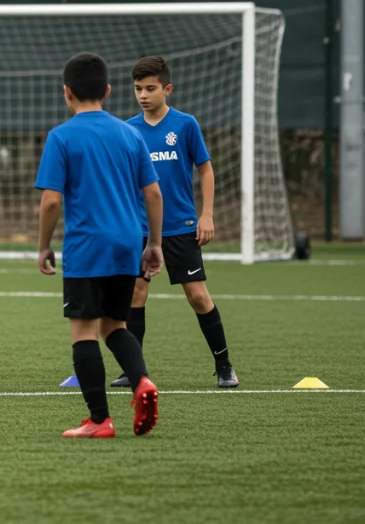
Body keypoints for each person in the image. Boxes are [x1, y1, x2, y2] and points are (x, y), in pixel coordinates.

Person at [35, 52, 161, 439]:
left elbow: (52, 200)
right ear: (107, 91)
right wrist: (153, 243)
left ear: (66, 92)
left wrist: (43, 246)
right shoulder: (131, 133)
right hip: (128, 243)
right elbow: (153, 193)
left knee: (84, 332)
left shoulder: (62, 136)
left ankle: (99, 420)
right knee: (115, 325)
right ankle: (141, 381)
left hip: (88, 246)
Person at [111, 55, 237, 389]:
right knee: (136, 294)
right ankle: (133, 370)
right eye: (138, 88)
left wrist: (206, 214)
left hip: (180, 227)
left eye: (150, 88)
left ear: (167, 89)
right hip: (140, 228)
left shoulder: (185, 125)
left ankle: (224, 366)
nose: (143, 95)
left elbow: (205, 168)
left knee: (197, 296)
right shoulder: (128, 130)